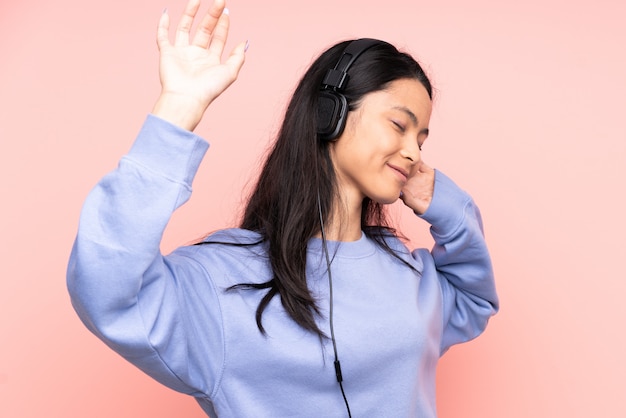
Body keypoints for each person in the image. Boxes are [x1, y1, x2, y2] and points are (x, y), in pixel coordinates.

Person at [66, 0, 499, 416]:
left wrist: (445, 203)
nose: (413, 152)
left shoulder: (407, 274)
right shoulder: (223, 281)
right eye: (399, 126)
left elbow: (473, 297)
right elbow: (106, 288)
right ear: (331, 114)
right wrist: (178, 110)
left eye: (421, 139)